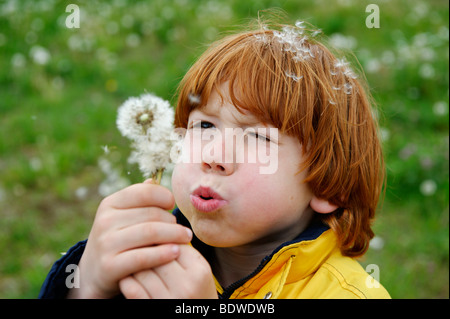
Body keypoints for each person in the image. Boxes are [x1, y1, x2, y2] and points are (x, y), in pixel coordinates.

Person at [39, 18, 390, 299]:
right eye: (204, 124)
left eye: (257, 136)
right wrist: (88, 286)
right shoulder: (144, 257)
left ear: (329, 186)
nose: (214, 156)